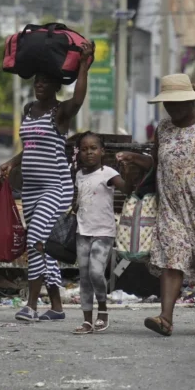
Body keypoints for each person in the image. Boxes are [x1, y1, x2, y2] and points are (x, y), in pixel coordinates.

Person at [117, 73, 195, 336]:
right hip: (173, 207)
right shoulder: (163, 129)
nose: (173, 108)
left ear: (191, 99)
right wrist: (133, 158)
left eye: (179, 102)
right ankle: (165, 318)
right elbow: (156, 164)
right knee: (171, 258)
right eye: (169, 103)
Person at [0, 40, 95, 322]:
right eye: (36, 81)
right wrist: (11, 163)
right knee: (45, 246)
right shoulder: (29, 110)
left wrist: (84, 67)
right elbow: (30, 146)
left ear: (55, 87)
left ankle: (30, 305)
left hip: (56, 187)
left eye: (45, 82)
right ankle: (57, 307)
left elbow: (78, 99)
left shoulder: (60, 113)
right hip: (30, 189)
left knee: (36, 239)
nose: (39, 85)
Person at [71, 132, 130, 335]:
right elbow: (78, 201)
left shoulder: (108, 173)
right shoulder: (78, 175)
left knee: (96, 272)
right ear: (80, 153)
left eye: (93, 148)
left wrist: (127, 172)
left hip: (104, 232)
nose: (89, 152)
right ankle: (87, 320)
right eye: (85, 149)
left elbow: (127, 188)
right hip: (82, 231)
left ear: (102, 151)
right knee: (84, 277)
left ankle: (103, 310)